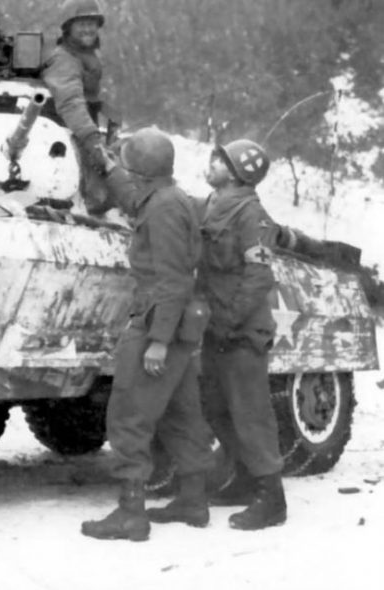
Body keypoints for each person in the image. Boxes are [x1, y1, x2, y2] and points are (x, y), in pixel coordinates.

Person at [81, 128, 214, 542]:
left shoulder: (162, 211)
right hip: (179, 325)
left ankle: (131, 513)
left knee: (129, 415)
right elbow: (136, 193)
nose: (128, 175)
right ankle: (194, 501)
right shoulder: (167, 197)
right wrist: (108, 167)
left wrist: (157, 340)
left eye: (130, 167)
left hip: (161, 322)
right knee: (180, 413)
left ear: (144, 173)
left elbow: (174, 279)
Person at [197, 138, 287, 530]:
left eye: (220, 160)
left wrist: (230, 321)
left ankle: (272, 499)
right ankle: (245, 479)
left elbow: (259, 276)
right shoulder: (212, 204)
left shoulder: (253, 215)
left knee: (251, 414)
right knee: (218, 408)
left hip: (242, 331)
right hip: (217, 328)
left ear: (237, 172)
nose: (211, 162)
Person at [41, 0, 116, 214]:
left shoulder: (86, 55)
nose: (88, 29)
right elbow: (71, 103)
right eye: (81, 24)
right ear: (68, 28)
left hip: (79, 131)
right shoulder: (64, 59)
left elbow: (86, 95)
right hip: (63, 139)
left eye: (92, 23)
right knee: (95, 199)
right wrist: (93, 140)